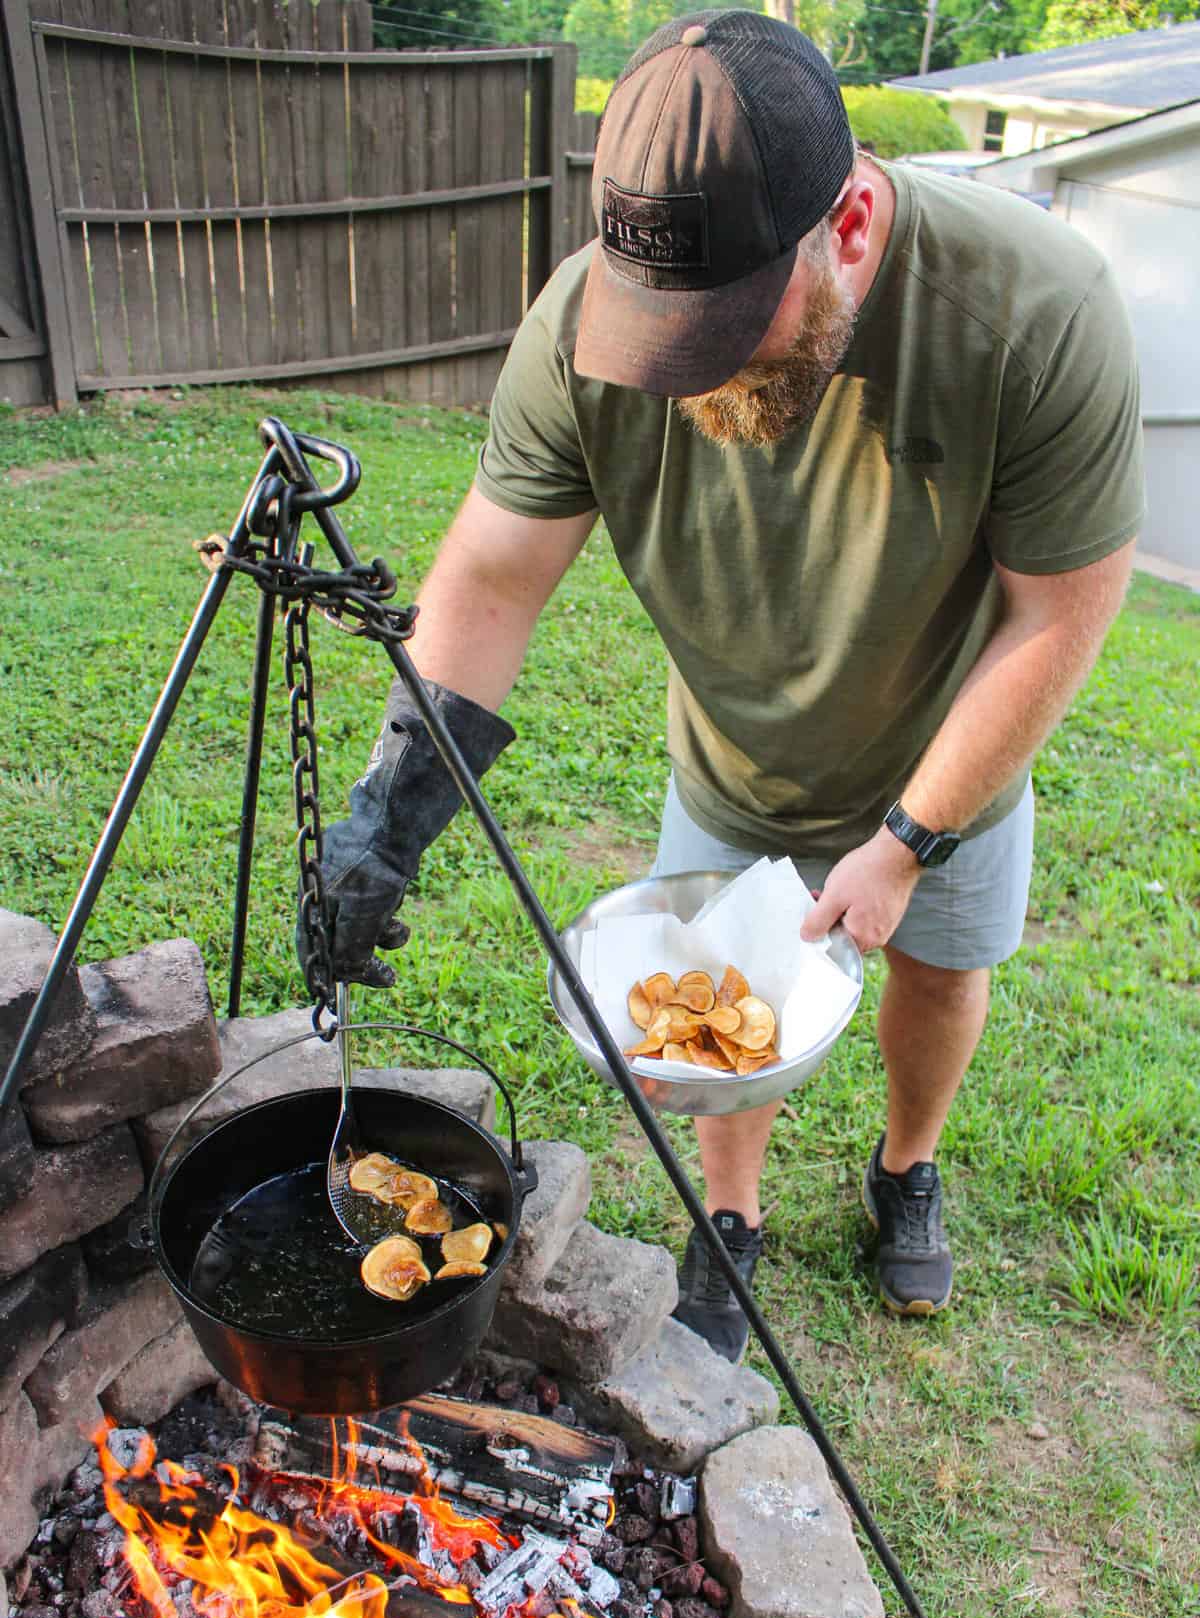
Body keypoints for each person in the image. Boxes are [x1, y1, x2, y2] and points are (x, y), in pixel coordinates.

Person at [303, 10, 1144, 1362]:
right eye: (665, 336)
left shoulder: (1033, 311)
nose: (694, 377)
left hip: (948, 753)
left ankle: (904, 1166)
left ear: (851, 224)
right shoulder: (584, 327)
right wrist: (389, 815)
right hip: (735, 754)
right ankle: (735, 1215)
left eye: (731, 331)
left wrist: (909, 840)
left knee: (939, 971)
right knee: (724, 1012)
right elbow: (497, 575)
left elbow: (1057, 619)